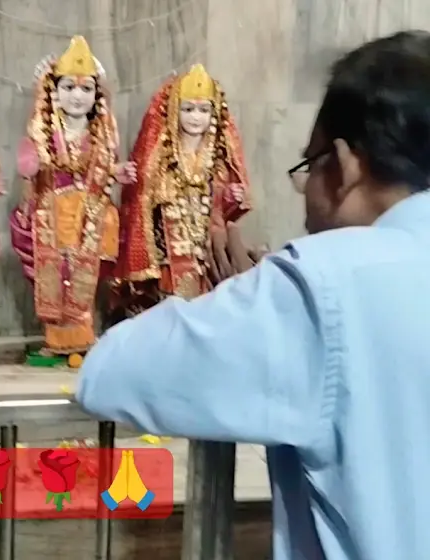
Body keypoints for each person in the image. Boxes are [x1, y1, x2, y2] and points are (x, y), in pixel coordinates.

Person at [77, 30, 430, 558]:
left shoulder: (325, 285)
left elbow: (111, 371)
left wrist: (249, 295)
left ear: (343, 166)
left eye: (307, 168)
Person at [9, 36, 136, 369]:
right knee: (55, 272)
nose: (77, 96)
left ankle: (81, 339)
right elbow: (30, 170)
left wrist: (117, 172)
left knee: (83, 275)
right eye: (68, 87)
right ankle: (55, 341)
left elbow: (105, 170)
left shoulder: (101, 134)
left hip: (89, 215)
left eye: (85, 89)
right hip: (52, 213)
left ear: (96, 96)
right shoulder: (44, 133)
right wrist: (29, 167)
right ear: (54, 91)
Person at [109, 64, 251, 321]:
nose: (196, 117)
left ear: (215, 114)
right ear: (175, 109)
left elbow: (221, 212)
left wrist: (230, 198)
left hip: (205, 256)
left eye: (204, 110)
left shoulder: (218, 162)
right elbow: (143, 206)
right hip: (168, 254)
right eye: (188, 109)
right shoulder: (159, 159)